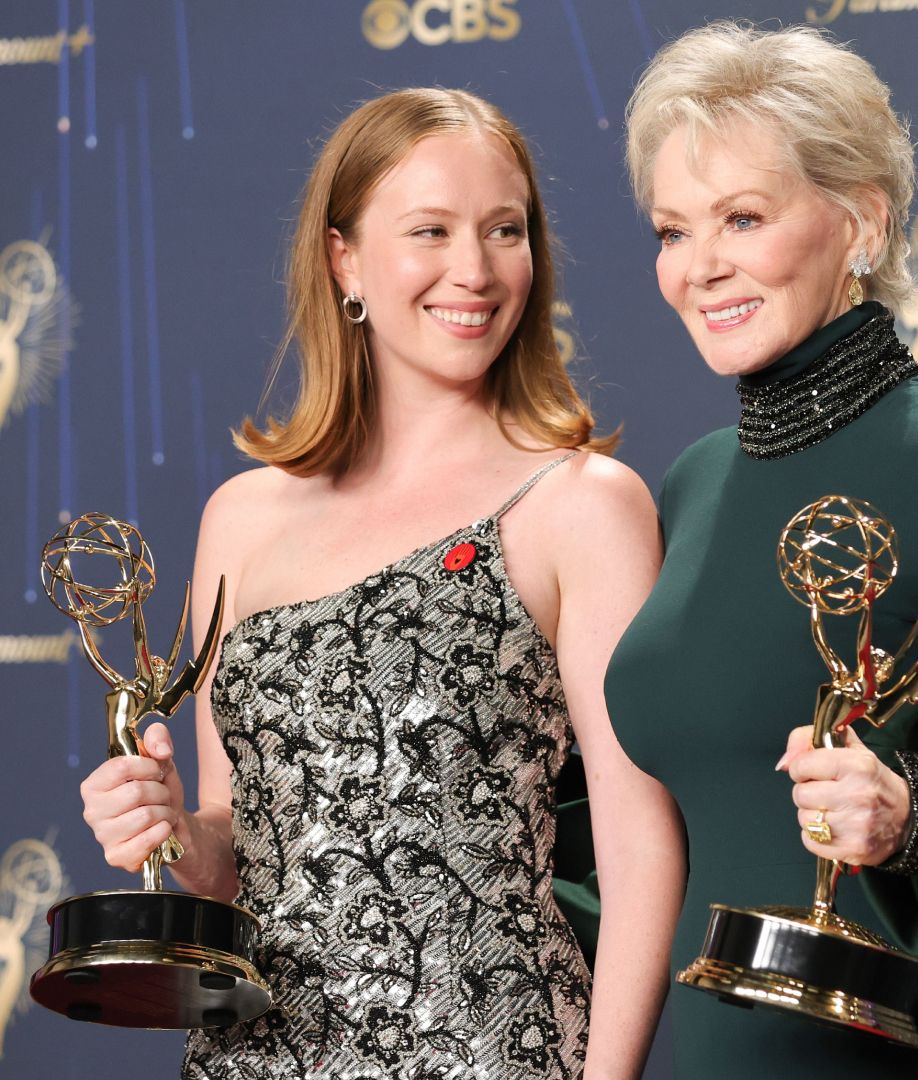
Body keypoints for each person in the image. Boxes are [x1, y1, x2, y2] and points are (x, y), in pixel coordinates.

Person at [79, 88, 685, 1079]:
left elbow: (638, 845)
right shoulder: (240, 519)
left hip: (494, 1047)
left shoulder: (584, 504)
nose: (476, 270)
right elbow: (241, 852)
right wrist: (175, 835)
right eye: (431, 231)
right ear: (343, 258)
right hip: (252, 1056)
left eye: (505, 229)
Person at [606, 21, 918, 1079]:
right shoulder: (691, 482)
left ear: (862, 221)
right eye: (670, 231)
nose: (700, 267)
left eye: (743, 217)